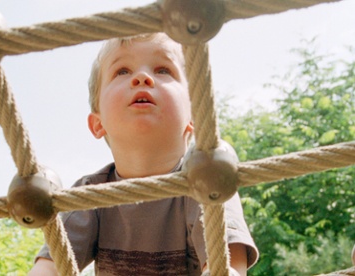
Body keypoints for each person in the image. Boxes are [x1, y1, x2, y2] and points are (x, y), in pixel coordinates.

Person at [29, 33, 258, 275]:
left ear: (193, 118)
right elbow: (48, 269)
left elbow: (226, 268)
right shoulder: (90, 195)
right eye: (122, 71)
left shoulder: (208, 180)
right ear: (98, 124)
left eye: (163, 70)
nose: (142, 78)